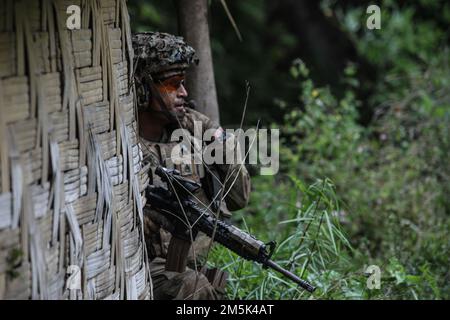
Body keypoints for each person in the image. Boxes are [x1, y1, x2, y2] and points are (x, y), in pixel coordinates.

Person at [132, 32, 251, 300]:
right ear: (142, 88)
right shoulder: (122, 146)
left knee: (209, 285)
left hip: (188, 271)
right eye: (173, 84)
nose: (184, 93)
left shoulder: (192, 135)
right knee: (193, 286)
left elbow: (239, 197)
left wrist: (216, 136)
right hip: (141, 270)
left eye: (183, 83)